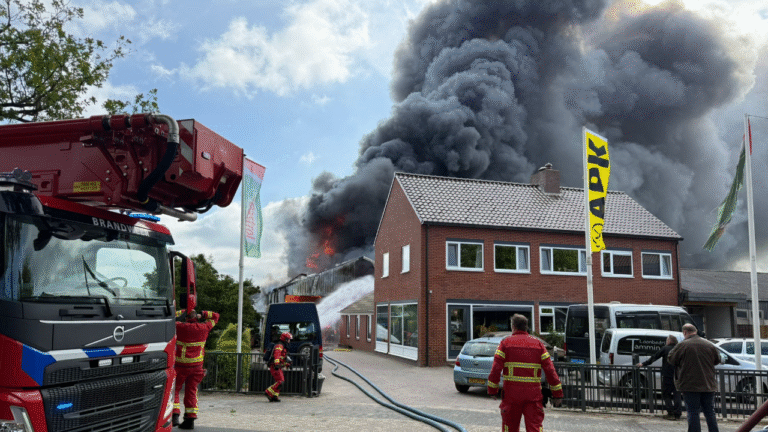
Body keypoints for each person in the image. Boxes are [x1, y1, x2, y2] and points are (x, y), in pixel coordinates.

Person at [487, 314, 563, 432]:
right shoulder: (538, 345)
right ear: (526, 327)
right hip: (533, 396)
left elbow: (496, 368)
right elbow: (550, 370)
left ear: (513, 327)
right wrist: (557, 394)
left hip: (511, 396)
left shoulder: (505, 343)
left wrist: (492, 390)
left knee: (510, 428)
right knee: (534, 428)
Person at [668, 323, 720, 432]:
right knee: (710, 411)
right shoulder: (709, 344)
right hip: (708, 384)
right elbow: (717, 360)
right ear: (695, 331)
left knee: (693, 412)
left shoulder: (683, 345)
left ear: (685, 332)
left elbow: (671, 359)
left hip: (690, 385)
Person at [174, 308, 220, 430]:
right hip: (196, 367)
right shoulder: (204, 327)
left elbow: (170, 318)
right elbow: (216, 316)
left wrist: (183, 310)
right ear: (196, 317)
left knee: (175, 390)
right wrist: (203, 314)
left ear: (186, 317)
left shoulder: (179, 326)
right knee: (192, 391)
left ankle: (175, 415)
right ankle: (190, 419)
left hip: (180, 365)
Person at [636, 334, 682, 420]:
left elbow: (655, 357)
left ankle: (670, 413)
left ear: (669, 341)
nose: (666, 342)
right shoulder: (679, 349)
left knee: (666, 394)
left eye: (667, 340)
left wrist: (643, 364)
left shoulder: (665, 348)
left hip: (667, 374)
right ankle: (678, 414)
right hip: (678, 375)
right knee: (677, 394)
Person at [265, 332, 293, 402]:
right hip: (275, 366)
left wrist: (288, 364)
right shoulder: (280, 346)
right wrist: (276, 364)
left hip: (278, 366)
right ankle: (268, 392)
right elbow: (277, 356)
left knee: (280, 382)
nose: (289, 341)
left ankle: (274, 396)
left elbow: (283, 358)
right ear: (285, 339)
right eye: (289, 339)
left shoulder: (283, 346)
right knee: (280, 382)